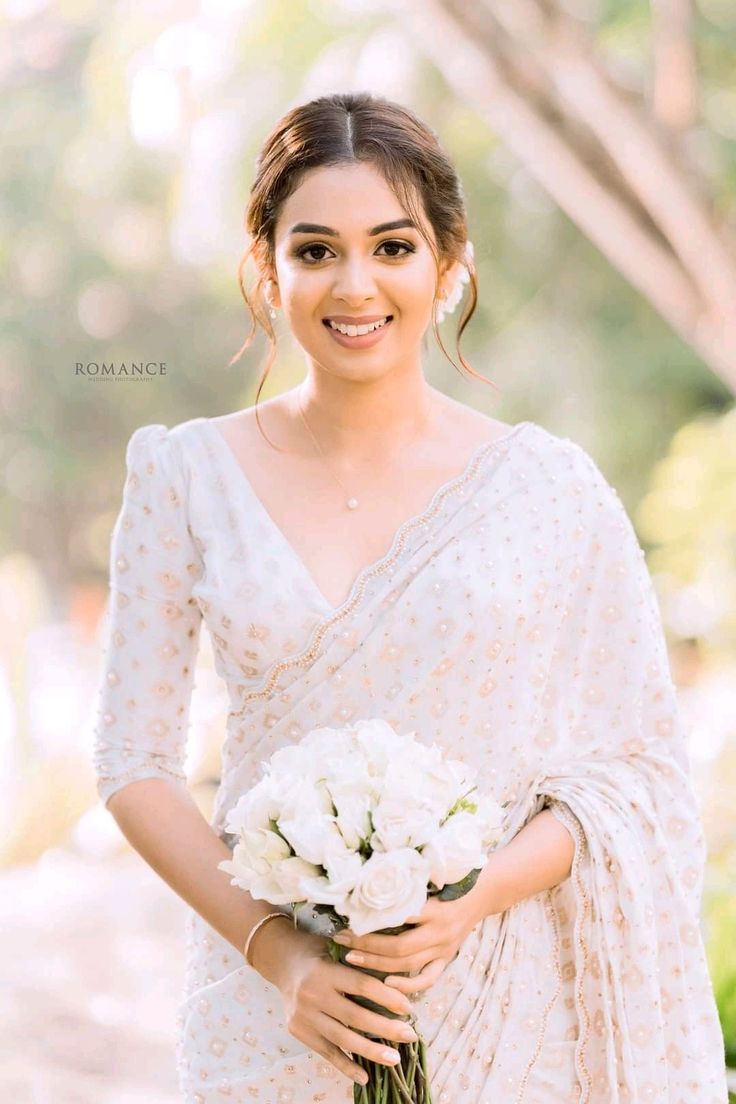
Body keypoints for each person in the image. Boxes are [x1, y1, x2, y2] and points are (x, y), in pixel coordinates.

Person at [91, 91, 728, 1103]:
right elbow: (132, 763)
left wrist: (472, 898)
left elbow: (638, 768)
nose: (355, 285)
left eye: (392, 247)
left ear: (448, 263)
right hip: (271, 1010)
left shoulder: (546, 490)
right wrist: (282, 959)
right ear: (265, 269)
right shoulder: (183, 476)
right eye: (315, 251)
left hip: (502, 1001)